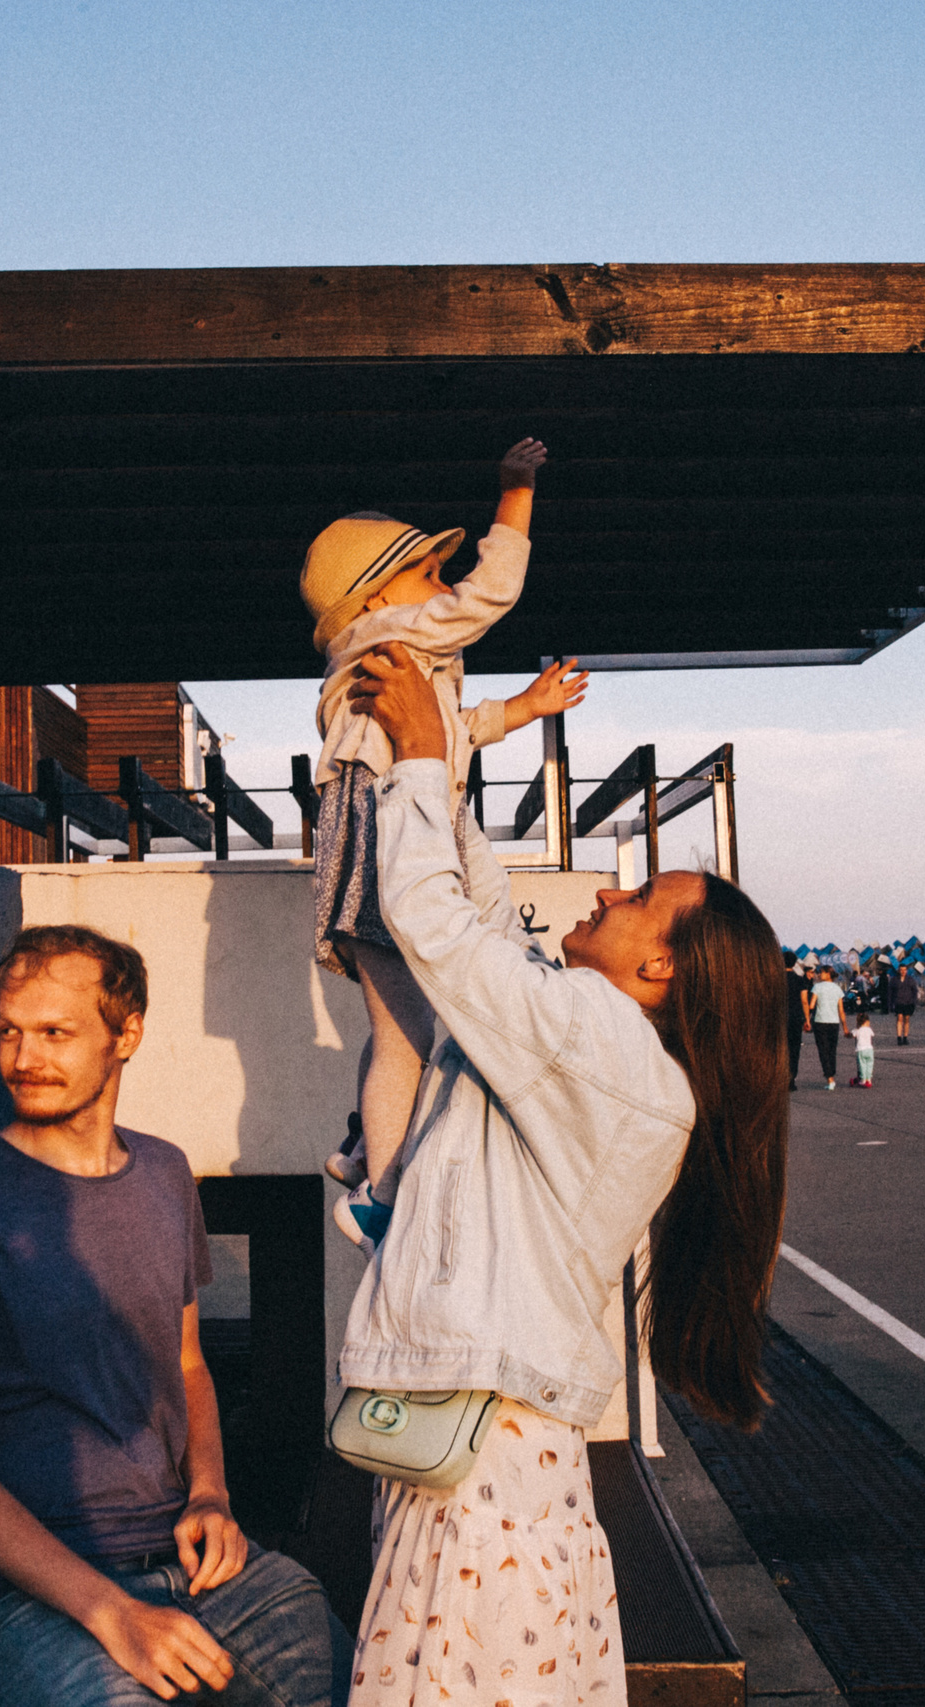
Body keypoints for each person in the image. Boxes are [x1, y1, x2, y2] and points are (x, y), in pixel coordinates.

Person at [339, 643, 791, 1707]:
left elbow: (437, 926)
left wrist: (415, 754)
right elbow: (487, 923)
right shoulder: (605, 1053)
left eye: (634, 897)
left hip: (481, 1477)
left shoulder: (601, 1045)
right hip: (492, 1461)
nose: (602, 888)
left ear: (660, 969)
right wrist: (441, 758)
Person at [0, 927, 344, 1707]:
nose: (23, 1058)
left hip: (191, 1562)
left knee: (359, 1677)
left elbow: (188, 1364)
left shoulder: (165, 1173)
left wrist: (211, 1494)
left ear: (125, 1033)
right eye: (9, 1031)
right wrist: (114, 1613)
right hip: (30, 1595)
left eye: (55, 1033)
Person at [304, 437, 587, 1251]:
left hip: (390, 825)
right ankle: (381, 1196)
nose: (441, 591)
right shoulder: (386, 640)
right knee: (408, 1035)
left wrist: (523, 711)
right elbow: (488, 593)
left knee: (397, 1022)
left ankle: (365, 1144)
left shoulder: (391, 669)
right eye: (426, 575)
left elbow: (449, 736)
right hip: (384, 829)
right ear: (370, 600)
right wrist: (514, 494)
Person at [806, 964, 847, 1089]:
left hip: (820, 1022)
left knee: (823, 1050)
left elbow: (811, 1005)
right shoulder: (837, 989)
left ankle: (830, 1079)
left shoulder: (817, 987)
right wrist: (845, 1027)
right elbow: (841, 1010)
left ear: (828, 974)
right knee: (832, 1050)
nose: (819, 974)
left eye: (821, 972)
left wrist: (806, 1018)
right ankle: (831, 1076)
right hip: (834, 1023)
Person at [784, 957, 811, 1089]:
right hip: (795, 1018)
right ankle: (791, 1078)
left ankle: (780, 1078)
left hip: (780, 1018)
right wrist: (807, 1019)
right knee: (794, 1048)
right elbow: (804, 1000)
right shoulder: (799, 980)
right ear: (795, 963)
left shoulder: (776, 979)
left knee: (781, 1048)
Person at [889, 963, 917, 1044]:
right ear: (899, 970)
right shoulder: (894, 980)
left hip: (908, 1002)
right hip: (898, 1002)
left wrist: (914, 1002)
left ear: (906, 971)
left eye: (904, 970)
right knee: (899, 1018)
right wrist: (890, 1003)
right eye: (901, 970)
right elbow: (890, 992)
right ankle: (899, 1037)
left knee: (907, 1019)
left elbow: (914, 991)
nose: (903, 971)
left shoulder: (911, 979)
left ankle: (905, 1037)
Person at [852, 1012, 877, 1087]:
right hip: (869, 1049)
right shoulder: (869, 1029)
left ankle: (863, 1079)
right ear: (866, 1022)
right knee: (869, 1064)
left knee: (862, 1065)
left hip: (861, 1050)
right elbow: (873, 1034)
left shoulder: (858, 1030)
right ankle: (868, 1079)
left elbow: (853, 1034)